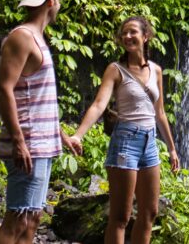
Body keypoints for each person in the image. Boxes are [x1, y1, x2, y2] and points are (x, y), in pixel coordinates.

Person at [71, 16, 179, 244]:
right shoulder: (116, 69)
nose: (127, 37)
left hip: (150, 144)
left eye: (133, 32)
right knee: (121, 216)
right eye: (124, 34)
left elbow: (159, 113)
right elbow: (99, 104)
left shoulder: (157, 71)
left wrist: (171, 149)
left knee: (150, 213)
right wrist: (78, 134)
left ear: (146, 36)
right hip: (125, 142)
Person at [0, 0, 79, 244]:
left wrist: (61, 134)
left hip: (42, 143)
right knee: (17, 219)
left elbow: (39, 97)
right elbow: (4, 89)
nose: (60, 3)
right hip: (28, 144)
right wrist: (19, 141)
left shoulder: (37, 38)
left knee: (32, 218)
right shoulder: (22, 37)